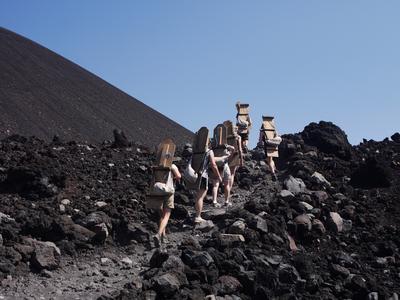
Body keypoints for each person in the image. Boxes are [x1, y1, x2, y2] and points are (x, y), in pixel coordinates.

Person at [153, 163, 181, 247]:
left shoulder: (156, 166)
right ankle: (158, 234)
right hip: (168, 191)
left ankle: (163, 237)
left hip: (158, 191)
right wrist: (174, 178)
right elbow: (179, 176)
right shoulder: (172, 166)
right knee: (166, 215)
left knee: (161, 215)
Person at [194, 143, 222, 223]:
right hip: (202, 175)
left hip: (194, 175)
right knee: (200, 197)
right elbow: (213, 165)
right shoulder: (209, 151)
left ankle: (197, 214)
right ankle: (198, 216)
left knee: (198, 196)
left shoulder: (196, 150)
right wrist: (218, 176)